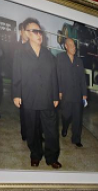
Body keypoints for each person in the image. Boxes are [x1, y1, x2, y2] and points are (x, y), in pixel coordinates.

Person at [12, 18, 61, 169]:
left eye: (40, 31)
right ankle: (35, 155)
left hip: (47, 97)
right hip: (29, 96)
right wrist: (16, 94)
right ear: (27, 33)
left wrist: (54, 96)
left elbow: (54, 76)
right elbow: (16, 74)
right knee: (32, 130)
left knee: (51, 130)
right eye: (35, 31)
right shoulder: (20, 52)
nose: (39, 34)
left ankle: (51, 157)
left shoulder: (48, 54)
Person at [57, 37, 88, 147]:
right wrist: (59, 91)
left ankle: (76, 139)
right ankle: (65, 126)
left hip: (77, 93)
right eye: (71, 46)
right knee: (66, 114)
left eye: (74, 46)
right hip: (65, 92)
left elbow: (82, 79)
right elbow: (58, 75)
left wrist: (84, 94)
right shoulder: (60, 58)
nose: (74, 48)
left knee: (77, 117)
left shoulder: (79, 61)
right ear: (66, 46)